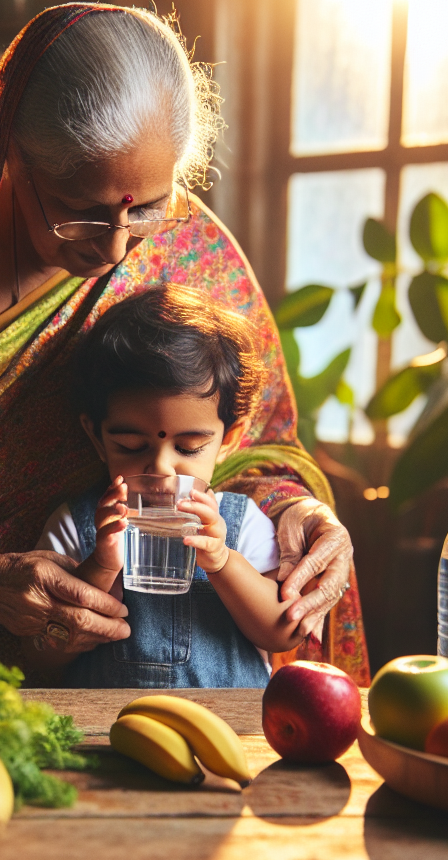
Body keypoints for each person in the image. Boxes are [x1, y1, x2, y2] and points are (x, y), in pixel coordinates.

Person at [0, 3, 370, 686]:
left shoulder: (193, 256)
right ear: (13, 156)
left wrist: (299, 513)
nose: (120, 244)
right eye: (83, 212)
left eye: (148, 207)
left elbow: (256, 452)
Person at [35, 284, 303, 688]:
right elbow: (43, 657)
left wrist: (221, 561)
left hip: (231, 736)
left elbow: (282, 633)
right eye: (131, 446)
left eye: (189, 447)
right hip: (104, 733)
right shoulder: (75, 526)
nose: (161, 467)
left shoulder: (242, 522)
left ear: (228, 439)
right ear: (96, 437)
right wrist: (101, 566)